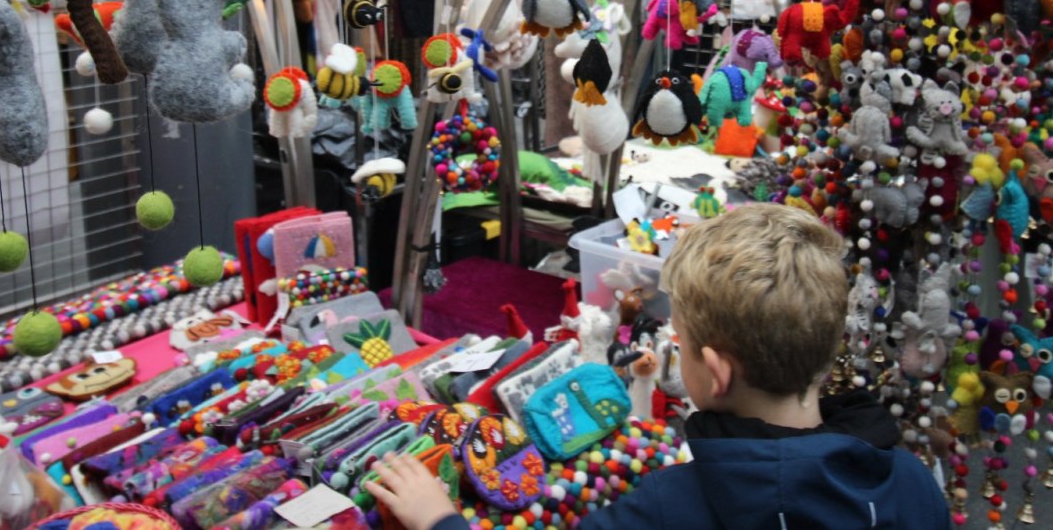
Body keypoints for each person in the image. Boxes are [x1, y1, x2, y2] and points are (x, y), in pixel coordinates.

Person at [368, 204, 950, 529]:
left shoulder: (672, 508)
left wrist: (439, 520)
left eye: (682, 338)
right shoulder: (912, 484)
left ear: (713, 373)